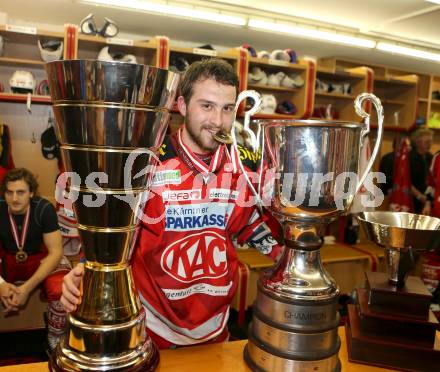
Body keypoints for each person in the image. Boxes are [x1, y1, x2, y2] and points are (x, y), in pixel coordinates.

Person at [61, 58, 282, 349]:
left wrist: (285, 256)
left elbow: (247, 225)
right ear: (181, 105)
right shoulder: (145, 163)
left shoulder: (245, 163)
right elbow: (115, 236)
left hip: (216, 326)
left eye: (227, 108)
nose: (218, 120)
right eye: (206, 106)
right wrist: (85, 271)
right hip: (151, 326)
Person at [0, 168, 70, 349]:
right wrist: (0, 284)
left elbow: (55, 252)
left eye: (21, 192)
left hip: (41, 260)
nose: (14, 198)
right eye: (9, 192)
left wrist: (26, 289)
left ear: (31, 193)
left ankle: (56, 336)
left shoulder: (44, 209)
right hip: (7, 261)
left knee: (63, 285)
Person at [408, 128, 433, 213]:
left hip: (427, 200)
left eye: (430, 142)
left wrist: (428, 198)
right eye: (427, 142)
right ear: (417, 142)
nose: (430, 145)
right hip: (411, 199)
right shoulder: (409, 157)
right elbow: (406, 180)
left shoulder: (430, 157)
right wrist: (419, 196)